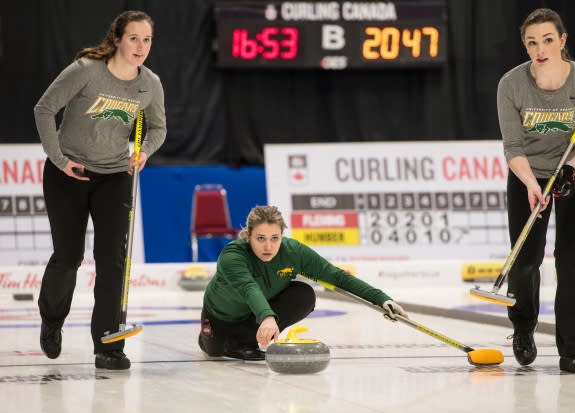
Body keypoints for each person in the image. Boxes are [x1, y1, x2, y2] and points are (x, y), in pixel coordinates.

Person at [34, 10, 166, 370]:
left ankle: (108, 344)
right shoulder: (86, 71)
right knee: (69, 257)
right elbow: (44, 109)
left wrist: (144, 151)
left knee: (113, 262)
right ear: (118, 39)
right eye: (134, 38)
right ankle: (51, 319)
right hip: (68, 174)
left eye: (147, 40)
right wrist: (59, 158)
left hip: (115, 176)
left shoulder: (149, 83)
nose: (141, 46)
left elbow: (157, 129)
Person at [497, 8, 575, 374]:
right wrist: (531, 183)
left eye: (547, 40)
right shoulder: (511, 85)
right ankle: (523, 326)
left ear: (562, 41)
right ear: (524, 45)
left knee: (570, 253)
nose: (540, 49)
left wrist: (572, 168)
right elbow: (513, 147)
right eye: (531, 42)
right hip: (528, 172)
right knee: (527, 257)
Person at [198, 205, 408, 360]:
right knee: (214, 352)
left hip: (256, 317)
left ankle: (245, 341)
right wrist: (268, 317)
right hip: (221, 317)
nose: (268, 246)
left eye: (275, 238)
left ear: (282, 235)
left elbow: (337, 276)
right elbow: (249, 288)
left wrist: (381, 299)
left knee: (303, 295)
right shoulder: (233, 255)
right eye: (260, 238)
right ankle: (219, 339)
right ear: (249, 236)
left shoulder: (293, 252)